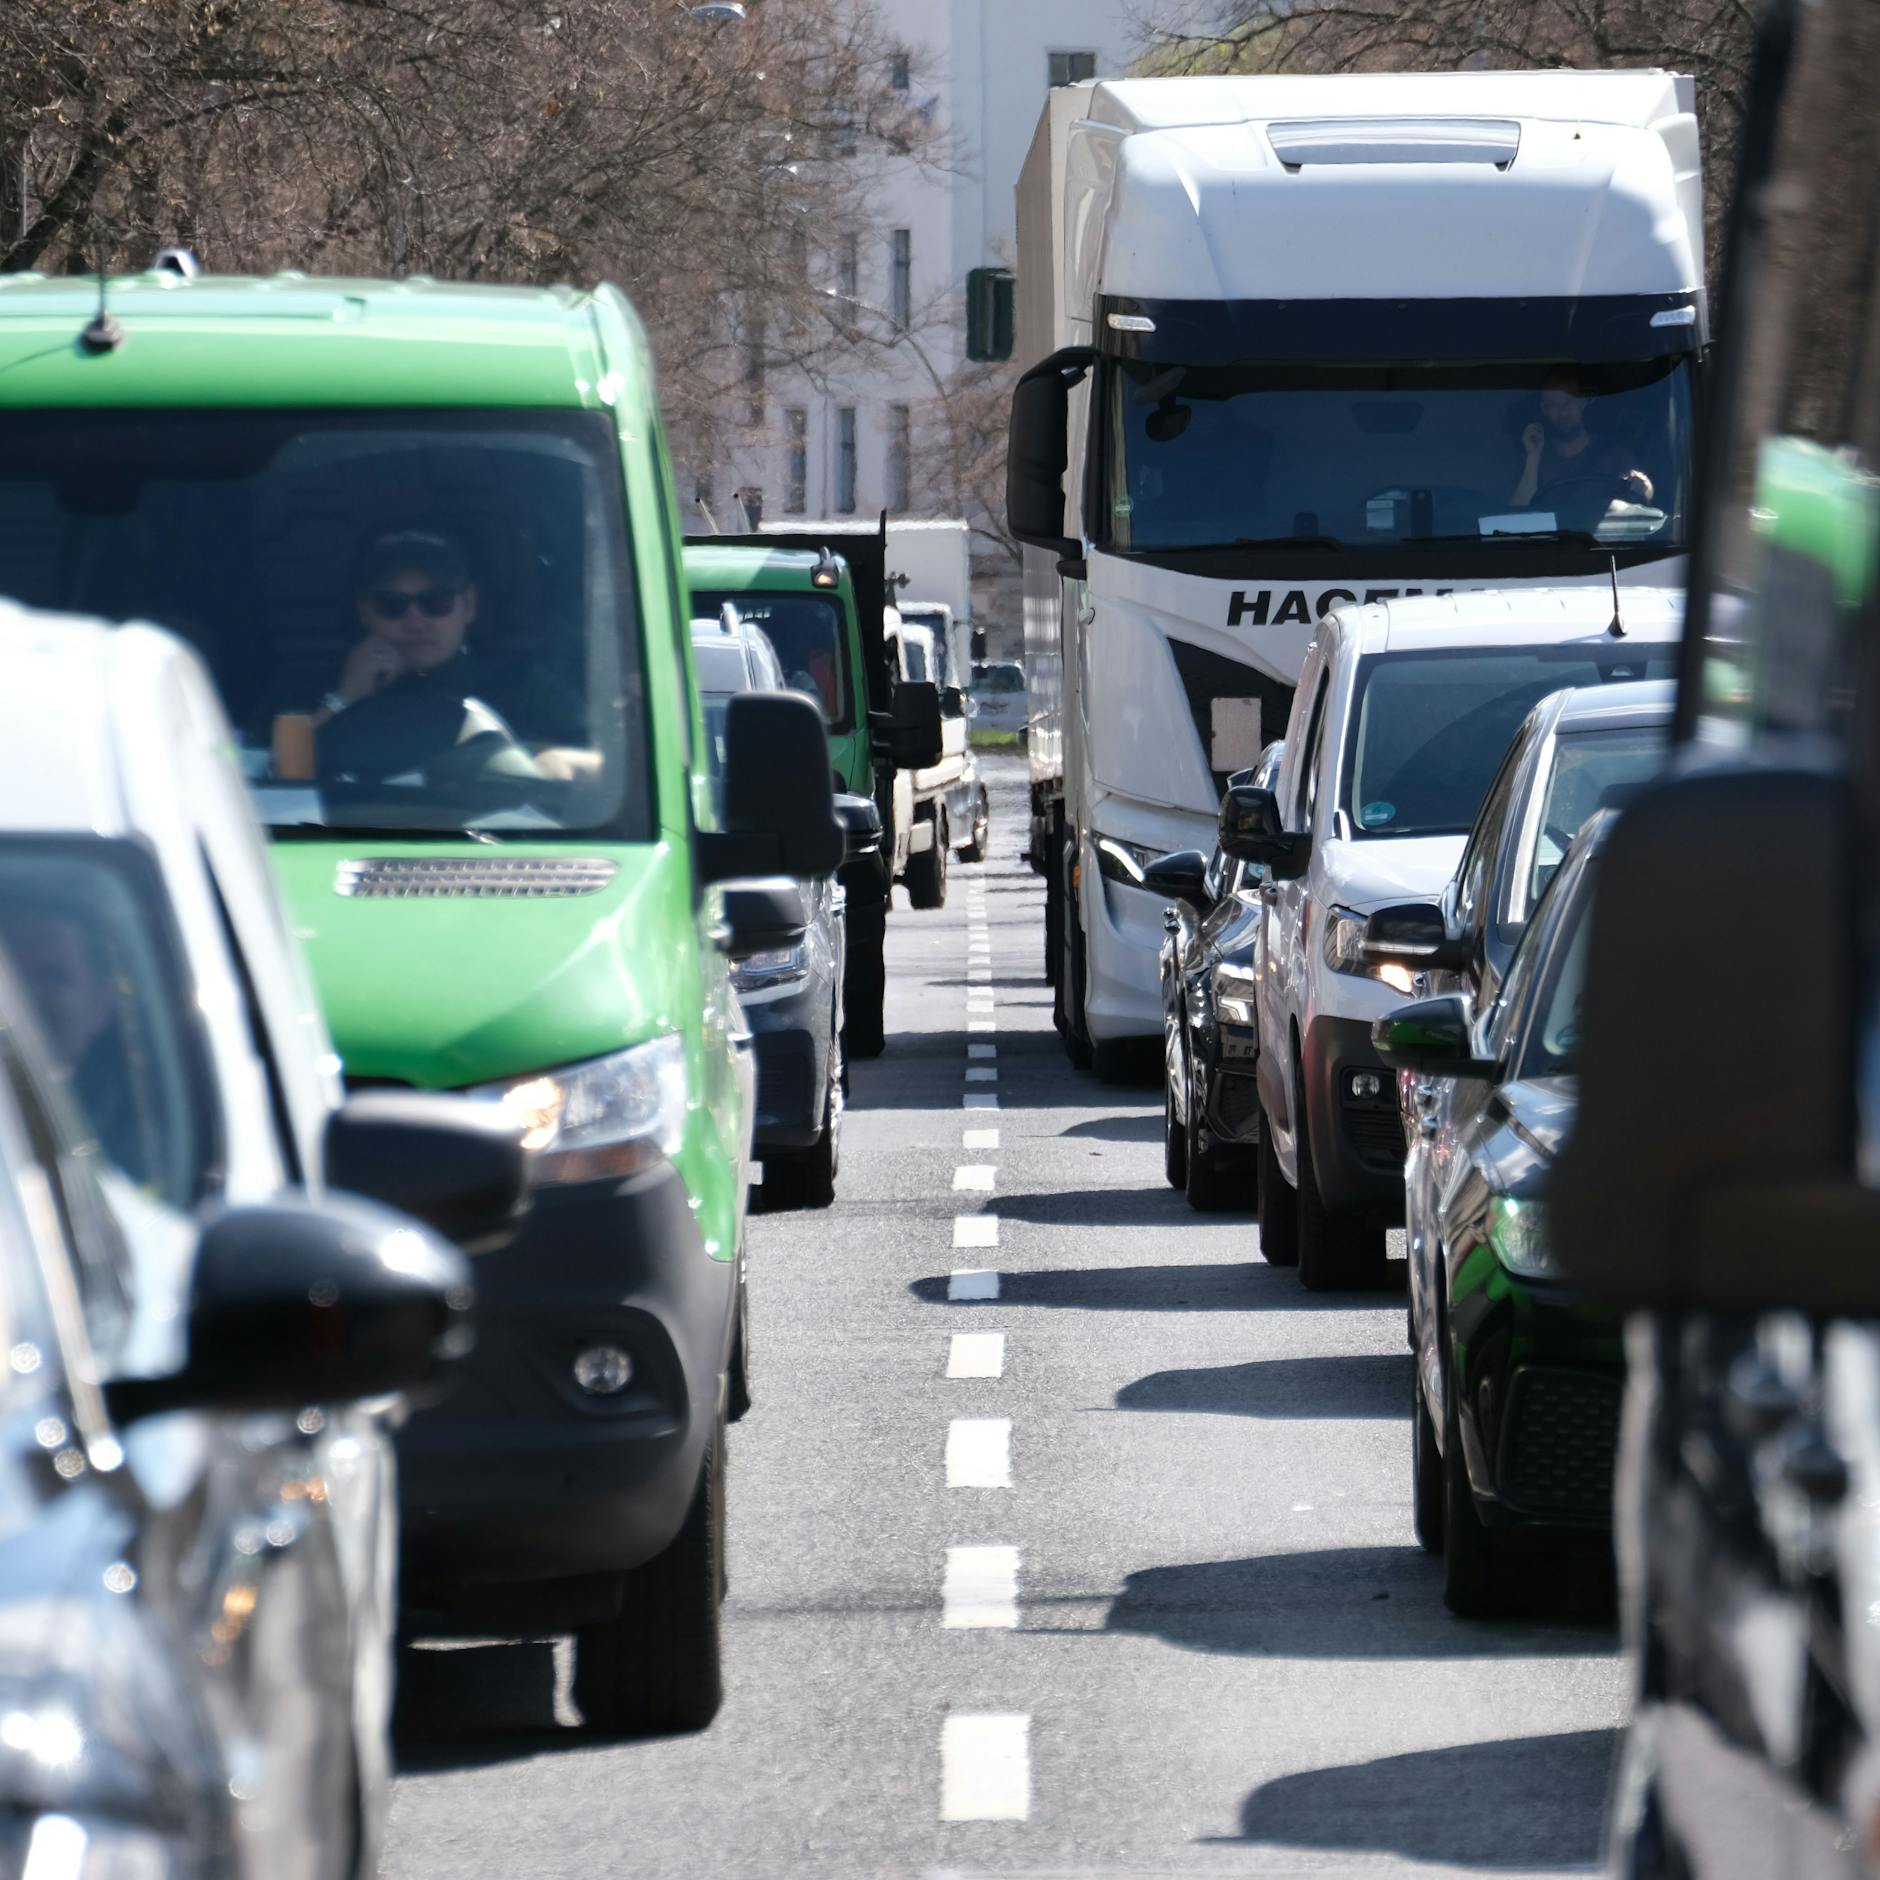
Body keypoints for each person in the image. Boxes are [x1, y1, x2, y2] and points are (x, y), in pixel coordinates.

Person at [307, 530, 586, 751]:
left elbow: (605, 764)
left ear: (468, 605)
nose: (415, 622)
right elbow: (270, 780)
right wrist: (342, 699)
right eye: (391, 605)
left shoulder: (522, 686)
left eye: (436, 602)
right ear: (364, 612)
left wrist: (548, 759)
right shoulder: (314, 683)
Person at [0, 906, 144, 1182]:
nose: (24, 998)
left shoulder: (140, 1142)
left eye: (52, 976)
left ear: (100, 1004)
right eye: (12, 977)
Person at [1511, 370, 1655, 512]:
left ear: (1582, 402)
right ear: (1544, 409)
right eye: (1553, 405)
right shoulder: (1534, 458)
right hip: (1550, 534)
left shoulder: (1614, 452)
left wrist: (1645, 487)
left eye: (1569, 402)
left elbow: (1644, 496)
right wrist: (1533, 456)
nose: (1563, 412)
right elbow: (1517, 513)